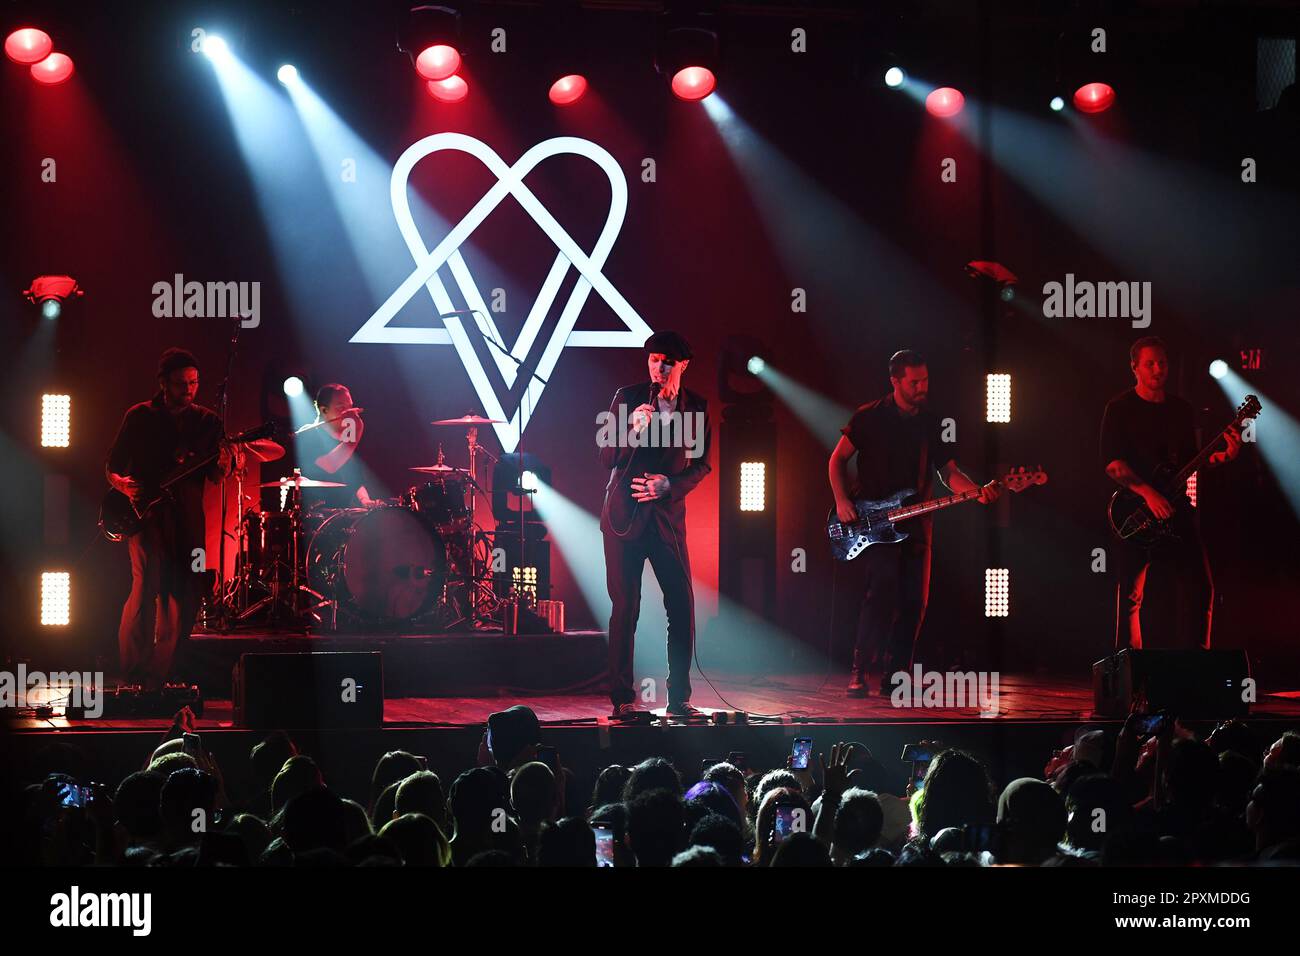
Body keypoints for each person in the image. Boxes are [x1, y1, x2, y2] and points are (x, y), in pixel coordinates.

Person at [828, 349, 1000, 696]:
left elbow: (948, 473)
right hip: (874, 522)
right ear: (895, 381)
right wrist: (843, 501)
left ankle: (896, 675)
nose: (922, 386)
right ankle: (859, 670)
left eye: (925, 379)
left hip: (918, 524)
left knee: (915, 602)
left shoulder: (931, 422)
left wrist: (977, 491)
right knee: (881, 593)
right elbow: (836, 460)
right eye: (914, 381)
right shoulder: (868, 417)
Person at [1100, 336, 1241, 650]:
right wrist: (1148, 494)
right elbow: (1113, 465)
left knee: (1201, 589)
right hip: (1134, 512)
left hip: (1176, 512)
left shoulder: (1181, 410)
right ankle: (1131, 678)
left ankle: (1196, 670)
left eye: (1162, 363)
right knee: (1131, 597)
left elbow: (1193, 460)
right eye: (1150, 363)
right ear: (1134, 367)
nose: (1157, 369)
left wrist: (1225, 455)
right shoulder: (1119, 409)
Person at [106, 348, 235, 690]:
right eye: (180, 383)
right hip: (148, 517)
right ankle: (134, 672)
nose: (189, 389)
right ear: (163, 383)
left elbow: (215, 475)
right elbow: (113, 465)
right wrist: (123, 485)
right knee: (147, 583)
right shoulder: (140, 416)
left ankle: (161, 674)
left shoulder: (208, 422)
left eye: (194, 383)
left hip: (191, 524)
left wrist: (225, 463)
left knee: (187, 590)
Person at [599, 331, 712, 718]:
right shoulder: (627, 398)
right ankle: (622, 699)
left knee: (681, 605)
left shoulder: (696, 407)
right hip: (623, 517)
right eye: (653, 359)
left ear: (683, 365)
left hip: (666, 520)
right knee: (626, 606)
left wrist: (670, 486)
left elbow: (702, 464)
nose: (658, 368)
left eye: (667, 362)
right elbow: (605, 456)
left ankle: (679, 698)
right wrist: (631, 430)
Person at [294, 383, 378, 509]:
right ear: (324, 410)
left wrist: (365, 500)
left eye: (350, 407)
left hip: (343, 514)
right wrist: (356, 432)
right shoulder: (308, 433)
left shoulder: (347, 437)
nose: (349, 412)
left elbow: (355, 479)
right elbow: (328, 465)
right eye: (341, 408)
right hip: (315, 515)